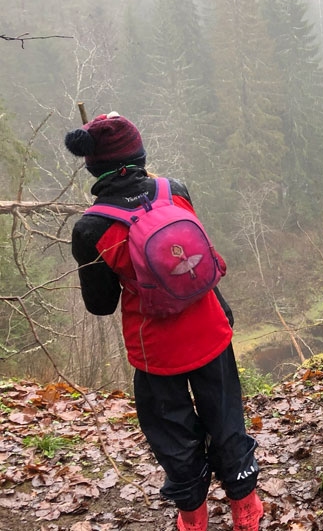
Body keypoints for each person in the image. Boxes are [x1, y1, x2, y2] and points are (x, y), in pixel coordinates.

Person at [65, 112, 263, 531]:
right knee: (226, 417)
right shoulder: (174, 191)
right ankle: (245, 505)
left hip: (156, 350)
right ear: (140, 155)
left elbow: (100, 305)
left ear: (91, 166)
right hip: (211, 329)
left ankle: (193, 514)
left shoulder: (92, 227)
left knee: (172, 432)